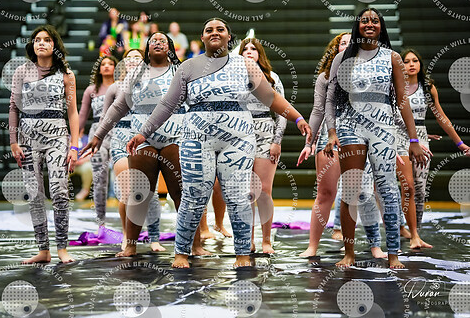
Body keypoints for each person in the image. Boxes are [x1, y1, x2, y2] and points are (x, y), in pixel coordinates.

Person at [125, 18, 311, 268]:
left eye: (220, 29)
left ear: (228, 37)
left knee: (238, 196)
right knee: (193, 196)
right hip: (196, 138)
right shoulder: (188, 67)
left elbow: (270, 97)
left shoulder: (245, 64)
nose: (214, 32)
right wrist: (143, 133)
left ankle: (242, 254)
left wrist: (297, 118)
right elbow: (168, 104)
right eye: (209, 30)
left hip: (238, 138)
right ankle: (181, 253)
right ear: (202, 37)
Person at [324, 8, 429, 269]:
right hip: (350, 125)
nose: (369, 24)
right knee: (351, 189)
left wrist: (414, 140)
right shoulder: (343, 57)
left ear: (381, 26)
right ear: (357, 26)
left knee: (388, 188)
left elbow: (402, 100)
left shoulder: (392, 57)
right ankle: (349, 253)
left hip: (382, 126)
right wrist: (332, 131)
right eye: (364, 20)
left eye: (375, 20)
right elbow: (330, 98)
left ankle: (393, 253)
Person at [82, 32, 194, 258]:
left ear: (170, 47)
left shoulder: (180, 72)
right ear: (147, 48)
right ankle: (130, 244)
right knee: (138, 193)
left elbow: (193, 103)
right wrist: (99, 135)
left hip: (175, 138)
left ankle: (189, 246)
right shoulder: (136, 75)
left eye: (163, 40)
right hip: (142, 141)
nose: (158, 43)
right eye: (153, 40)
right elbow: (118, 107)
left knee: (180, 193)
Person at [297, 33, 387, 259]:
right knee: (325, 193)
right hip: (330, 139)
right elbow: (318, 110)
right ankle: (312, 246)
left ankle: (375, 246)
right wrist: (309, 143)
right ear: (335, 49)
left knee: (363, 193)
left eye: (350, 42)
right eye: (342, 43)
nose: (346, 46)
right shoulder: (325, 77)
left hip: (359, 137)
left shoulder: (366, 74)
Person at [9, 25, 78, 264]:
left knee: (59, 190)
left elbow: (73, 112)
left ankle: (62, 247)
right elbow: (13, 108)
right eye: (37, 39)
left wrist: (74, 146)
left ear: (54, 45)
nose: (41, 43)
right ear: (32, 45)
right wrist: (13, 142)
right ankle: (43, 250)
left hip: (57, 137)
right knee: (34, 194)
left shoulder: (66, 74)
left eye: (47, 39)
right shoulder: (21, 72)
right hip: (28, 139)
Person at [396, 48, 470, 248]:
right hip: (398, 137)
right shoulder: (395, 86)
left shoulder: (427, 88)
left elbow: (441, 117)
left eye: (415, 60)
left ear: (420, 64)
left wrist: (460, 143)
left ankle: (416, 232)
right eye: (406, 61)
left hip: (421, 136)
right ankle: (407, 230)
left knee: (420, 190)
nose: (411, 64)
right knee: (407, 187)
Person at [102, 48, 166, 252]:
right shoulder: (115, 87)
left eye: (136, 58)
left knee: (150, 191)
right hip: (120, 140)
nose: (131, 60)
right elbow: (105, 119)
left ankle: (154, 238)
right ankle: (127, 237)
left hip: (144, 139)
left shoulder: (153, 85)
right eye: (128, 58)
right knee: (127, 191)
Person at [239, 37, 287, 254]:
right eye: (245, 48)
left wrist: (277, 141)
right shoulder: (234, 76)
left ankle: (266, 240)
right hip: (241, 132)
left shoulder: (272, 77)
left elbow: (283, 111)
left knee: (264, 190)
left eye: (253, 48)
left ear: (260, 53)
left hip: (265, 131)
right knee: (247, 191)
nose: (249, 51)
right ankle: (248, 240)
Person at [78, 56, 117, 228]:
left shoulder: (122, 86)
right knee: (99, 179)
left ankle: (130, 225)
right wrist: (75, 138)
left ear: (116, 67)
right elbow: (82, 114)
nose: (107, 66)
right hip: (97, 134)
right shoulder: (91, 90)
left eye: (111, 64)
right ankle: (101, 223)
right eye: (103, 64)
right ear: (99, 69)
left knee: (123, 177)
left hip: (118, 131)